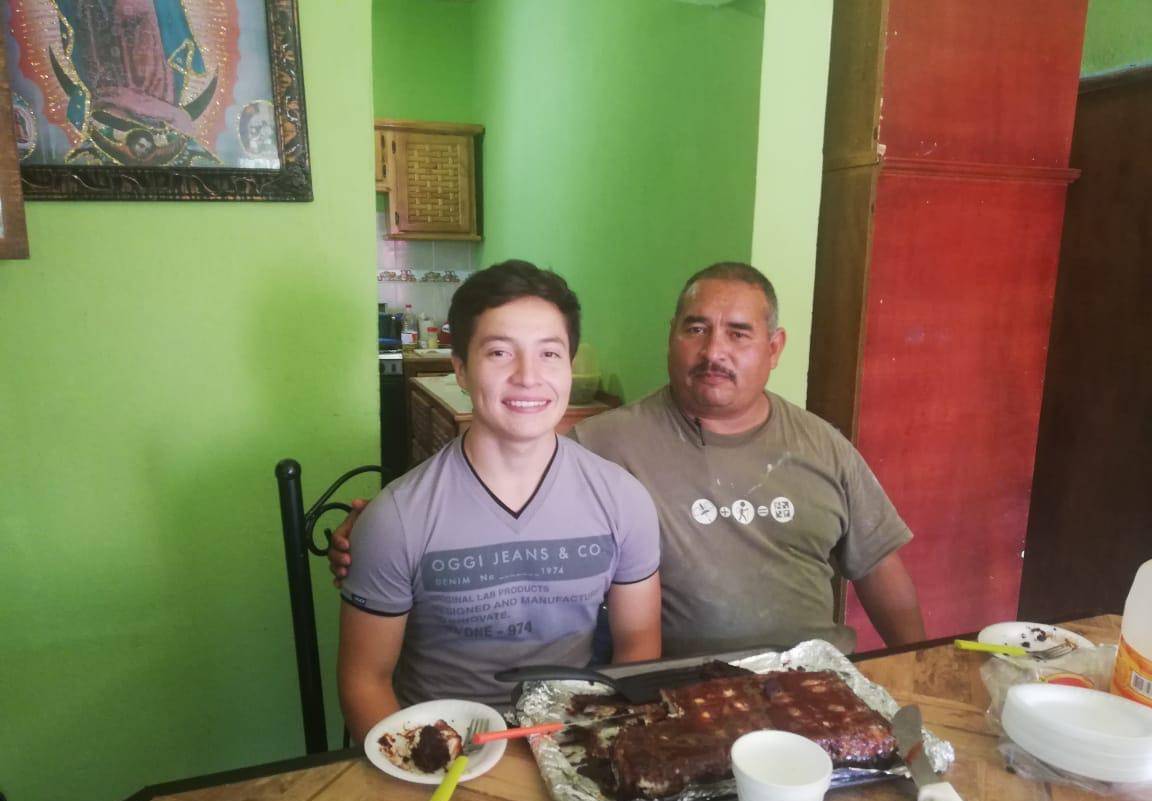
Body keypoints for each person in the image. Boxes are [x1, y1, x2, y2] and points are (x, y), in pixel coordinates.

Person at [333, 262, 924, 664]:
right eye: (696, 329)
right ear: (671, 336)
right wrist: (376, 532)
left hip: (815, 682)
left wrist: (914, 672)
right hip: (679, 692)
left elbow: (881, 571)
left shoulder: (824, 446)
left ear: (774, 348)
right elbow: (504, 469)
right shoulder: (605, 444)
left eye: (739, 334)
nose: (714, 351)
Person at [338, 260, 661, 741]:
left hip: (570, 740)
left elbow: (638, 645)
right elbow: (364, 681)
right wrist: (416, 764)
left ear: (569, 367)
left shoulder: (623, 500)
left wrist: (595, 743)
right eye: (499, 353)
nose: (528, 376)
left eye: (549, 354)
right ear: (461, 370)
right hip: (442, 750)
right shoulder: (397, 519)